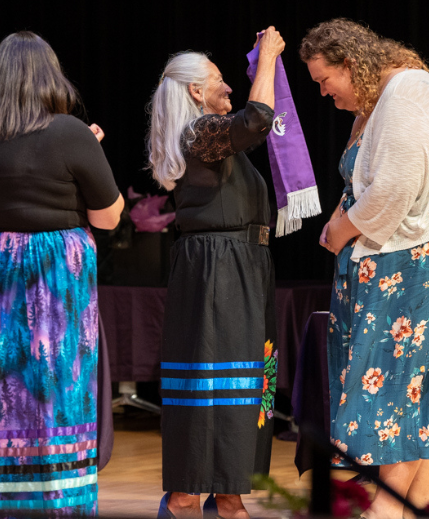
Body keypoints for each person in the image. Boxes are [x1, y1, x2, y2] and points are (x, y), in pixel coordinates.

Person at [300, 19, 429, 519]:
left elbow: (393, 190)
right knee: (416, 387)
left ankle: (386, 509)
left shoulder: (402, 95)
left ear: (349, 64)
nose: (322, 92)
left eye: (323, 79)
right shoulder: (392, 94)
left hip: (417, 262)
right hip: (421, 255)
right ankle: (414, 505)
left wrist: (340, 232)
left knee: (394, 386)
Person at [0, 32, 124, 519]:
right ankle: (50, 506)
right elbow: (107, 217)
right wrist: (85, 152)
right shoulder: (69, 131)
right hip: (48, 276)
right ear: (51, 76)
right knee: (50, 388)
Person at [146, 27, 284, 519]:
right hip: (218, 269)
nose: (228, 87)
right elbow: (260, 117)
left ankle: (224, 491)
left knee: (246, 382)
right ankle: (194, 494)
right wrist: (267, 56)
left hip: (240, 266)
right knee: (216, 378)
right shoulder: (198, 133)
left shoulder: (212, 139)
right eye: (220, 80)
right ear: (195, 91)